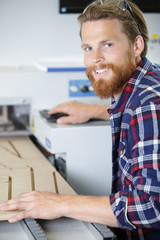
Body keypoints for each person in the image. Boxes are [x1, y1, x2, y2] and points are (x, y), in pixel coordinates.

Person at [1, 0, 160, 239]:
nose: (95, 58)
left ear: (137, 45)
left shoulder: (149, 105)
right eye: (88, 48)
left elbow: (151, 206)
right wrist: (95, 110)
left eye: (107, 44)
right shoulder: (147, 82)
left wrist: (61, 203)